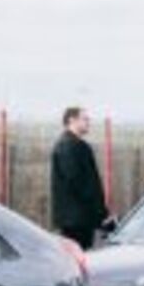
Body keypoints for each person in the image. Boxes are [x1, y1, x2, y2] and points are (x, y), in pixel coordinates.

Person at [49, 106, 109, 250]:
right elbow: (78, 183)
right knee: (78, 256)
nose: (88, 122)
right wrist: (99, 211)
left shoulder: (75, 145)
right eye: (85, 119)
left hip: (79, 218)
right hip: (75, 220)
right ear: (72, 120)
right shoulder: (68, 146)